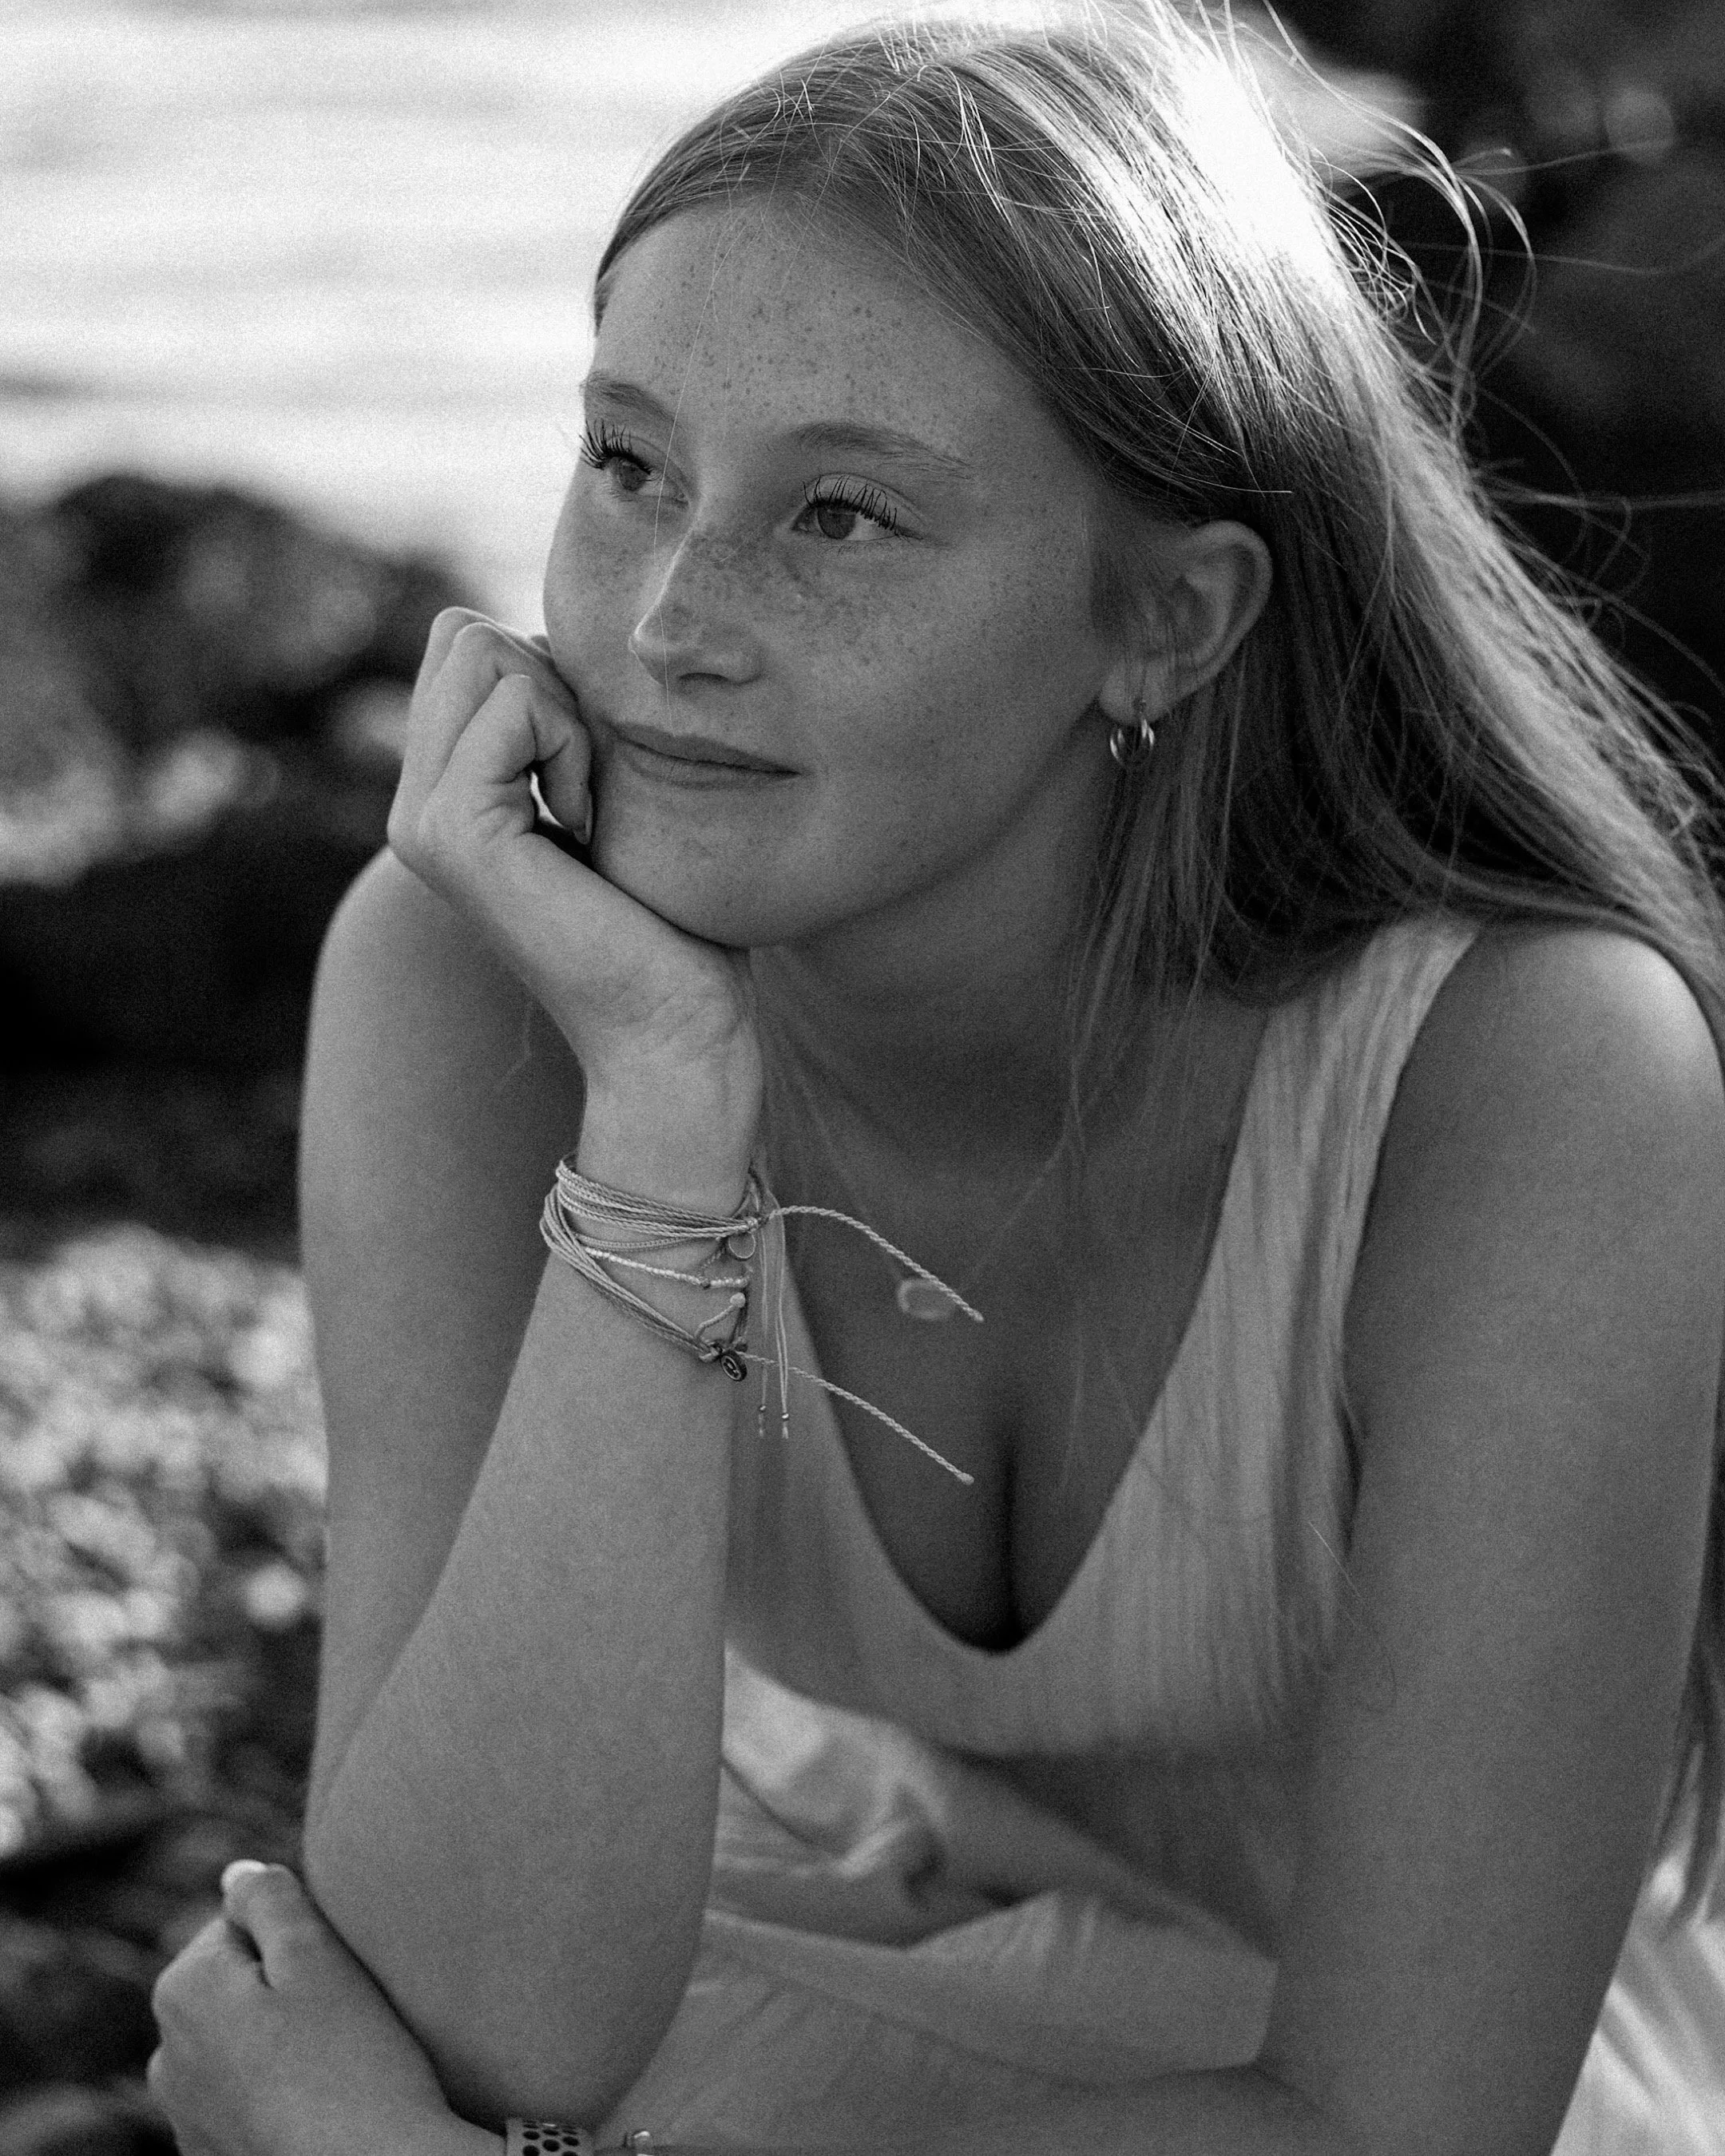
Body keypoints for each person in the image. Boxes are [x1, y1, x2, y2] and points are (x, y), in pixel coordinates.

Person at [147, 5, 1725, 2153]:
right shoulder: (469, 982)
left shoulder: (1532, 1087)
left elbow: (1405, 2121)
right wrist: (666, 1107)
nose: (675, 614)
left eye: (846, 516)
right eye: (630, 464)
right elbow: (468, 2012)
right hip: (860, 1930)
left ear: (1167, 622)